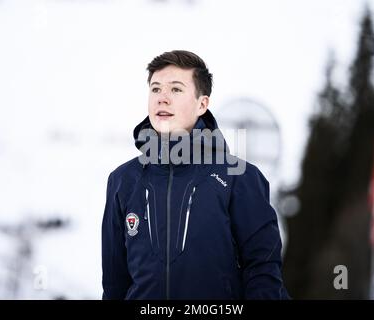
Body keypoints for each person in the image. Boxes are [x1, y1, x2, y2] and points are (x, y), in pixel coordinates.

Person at [101, 50, 289, 300]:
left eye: (176, 90)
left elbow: (263, 273)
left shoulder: (240, 179)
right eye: (155, 89)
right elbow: (114, 285)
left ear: (202, 104)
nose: (162, 98)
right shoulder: (123, 180)